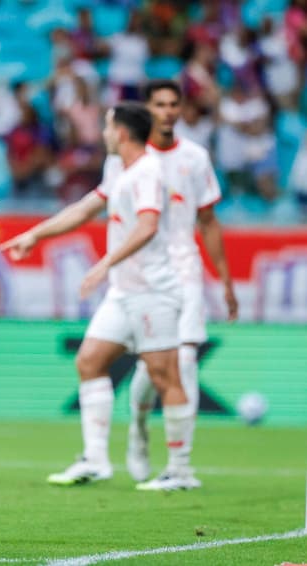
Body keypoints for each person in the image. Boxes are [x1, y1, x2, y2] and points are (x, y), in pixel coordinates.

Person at [1, 102, 196, 490]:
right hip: (124, 293)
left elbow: (148, 226)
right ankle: (95, 459)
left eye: (107, 127)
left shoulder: (149, 171)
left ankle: (180, 470)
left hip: (154, 291)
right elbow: (85, 208)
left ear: (121, 132)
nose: (103, 134)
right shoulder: (116, 167)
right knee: (90, 360)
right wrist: (36, 235)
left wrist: (105, 263)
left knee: (166, 376)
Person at [125, 80, 238, 490]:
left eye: (174, 104)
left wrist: (225, 280)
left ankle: (180, 466)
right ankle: (138, 425)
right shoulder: (132, 157)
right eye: (160, 104)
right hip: (143, 273)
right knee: (151, 367)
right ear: (147, 110)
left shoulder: (195, 157)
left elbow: (208, 221)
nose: (168, 111)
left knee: (185, 359)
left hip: (185, 269)